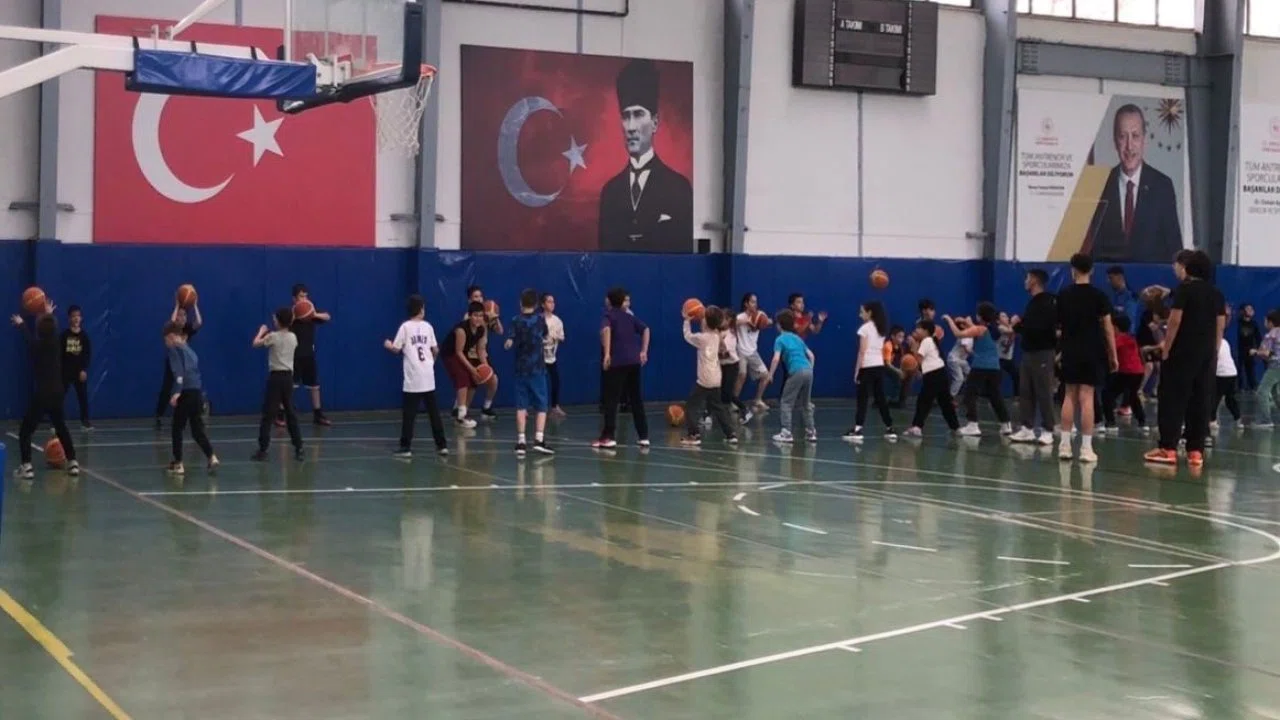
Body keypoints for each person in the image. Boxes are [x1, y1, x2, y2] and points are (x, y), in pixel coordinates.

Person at [597, 59, 693, 252]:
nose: (631, 127)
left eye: (638, 114)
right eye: (626, 116)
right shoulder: (610, 193)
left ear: (655, 123)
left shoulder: (679, 189)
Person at [1144, 250, 1223, 466]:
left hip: (1181, 353)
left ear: (1187, 267)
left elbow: (1175, 321)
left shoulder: (1185, 290)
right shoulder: (1215, 293)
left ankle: (1168, 448)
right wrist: (1214, 352)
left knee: (1172, 399)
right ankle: (1195, 451)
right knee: (1200, 400)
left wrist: (1166, 348)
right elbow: (1220, 324)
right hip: (1205, 354)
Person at [1085, 104, 1184, 263]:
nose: (1129, 146)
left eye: (1135, 136)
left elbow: (1175, 252)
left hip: (1151, 279)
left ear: (1144, 139)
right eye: (1123, 136)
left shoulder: (1162, 187)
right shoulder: (1101, 185)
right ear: (1115, 141)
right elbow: (1092, 251)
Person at [1056, 253, 1118, 463]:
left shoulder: (1064, 295)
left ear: (1072, 269)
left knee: (1069, 396)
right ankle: (1086, 448)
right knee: (1087, 397)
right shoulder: (1099, 296)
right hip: (1093, 350)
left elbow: (1058, 327)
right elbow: (1108, 328)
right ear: (1091, 270)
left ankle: (1064, 446)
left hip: (1070, 350)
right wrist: (1113, 355)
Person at [11, 301, 78, 480]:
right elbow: (50, 328)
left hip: (43, 394)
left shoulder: (36, 347)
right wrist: (48, 313)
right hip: (58, 392)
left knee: (25, 430)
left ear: (39, 330)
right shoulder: (56, 343)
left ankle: (26, 466)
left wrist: (21, 324)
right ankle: (73, 462)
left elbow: (28, 337)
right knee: (61, 427)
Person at [385, 294, 448, 458]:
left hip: (413, 377)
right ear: (421, 309)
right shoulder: (428, 327)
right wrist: (431, 363)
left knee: (409, 415)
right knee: (434, 413)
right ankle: (442, 445)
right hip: (428, 375)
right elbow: (435, 350)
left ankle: (405, 447)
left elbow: (396, 349)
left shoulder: (405, 327)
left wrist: (388, 345)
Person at [595, 286, 651, 449]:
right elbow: (646, 329)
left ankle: (609, 436)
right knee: (636, 399)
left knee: (611, 400)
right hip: (634, 361)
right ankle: (644, 436)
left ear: (610, 301)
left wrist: (607, 354)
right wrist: (643, 351)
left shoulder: (609, 316)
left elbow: (606, 330)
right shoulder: (629, 317)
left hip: (618, 362)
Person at [946, 304, 1012, 437]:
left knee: (970, 395)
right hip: (995, 368)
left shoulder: (980, 329)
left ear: (980, 316)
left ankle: (973, 424)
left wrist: (948, 320)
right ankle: (1006, 424)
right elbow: (975, 329)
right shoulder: (992, 329)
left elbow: (958, 333)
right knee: (995, 397)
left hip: (980, 366)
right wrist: (965, 322)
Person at [503, 289, 555, 456]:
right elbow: (546, 335)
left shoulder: (515, 320)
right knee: (541, 405)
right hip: (537, 369)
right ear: (536, 304)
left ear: (520, 303)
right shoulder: (540, 320)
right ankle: (539, 439)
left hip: (521, 369)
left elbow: (510, 339)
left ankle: (521, 441)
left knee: (521, 405)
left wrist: (509, 343)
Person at [1009, 269, 1058, 445]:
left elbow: (1038, 328)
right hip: (1028, 352)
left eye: (1028, 278)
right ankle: (1027, 428)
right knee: (1025, 390)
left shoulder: (1048, 302)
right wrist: (1019, 325)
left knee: (1044, 391)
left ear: (1035, 281)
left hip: (1043, 352)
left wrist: (1017, 325)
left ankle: (1048, 429)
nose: (1025, 281)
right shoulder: (1032, 303)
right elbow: (1029, 326)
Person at [164, 321, 219, 475]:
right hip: (196, 392)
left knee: (177, 428)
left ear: (172, 336)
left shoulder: (174, 350)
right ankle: (211, 456)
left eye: (166, 339)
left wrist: (177, 392)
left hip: (185, 392)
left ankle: (178, 464)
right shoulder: (190, 350)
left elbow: (179, 373)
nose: (166, 343)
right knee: (196, 429)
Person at [252, 308, 304, 462]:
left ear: (279, 321)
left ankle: (263, 449)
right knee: (290, 413)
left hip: (276, 378)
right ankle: (299, 448)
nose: (273, 320)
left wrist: (261, 332)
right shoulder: (293, 337)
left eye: (275, 318)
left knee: (268, 415)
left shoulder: (273, 336)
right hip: (288, 378)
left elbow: (255, 344)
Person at [680, 306, 737, 445]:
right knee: (719, 407)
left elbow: (687, 336)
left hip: (705, 379)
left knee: (691, 406)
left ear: (706, 322)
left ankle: (694, 435)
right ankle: (731, 434)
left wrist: (686, 321)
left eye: (703, 317)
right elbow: (722, 344)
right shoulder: (717, 336)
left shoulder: (702, 338)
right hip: (716, 378)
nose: (701, 319)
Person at [843, 300, 896, 441]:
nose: (860, 315)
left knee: (863, 398)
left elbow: (862, 351)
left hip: (867, 366)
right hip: (879, 365)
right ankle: (890, 428)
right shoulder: (881, 329)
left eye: (862, 312)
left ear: (870, 312)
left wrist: (857, 370)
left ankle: (858, 430)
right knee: (880, 397)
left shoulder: (865, 329)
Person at [903, 320, 960, 438]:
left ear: (926, 331)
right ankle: (955, 427)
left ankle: (917, 427)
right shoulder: (930, 341)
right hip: (941, 374)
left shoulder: (926, 341)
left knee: (923, 401)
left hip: (933, 375)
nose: (916, 330)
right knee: (945, 403)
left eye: (918, 328)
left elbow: (918, 359)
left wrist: (913, 346)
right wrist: (919, 371)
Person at [767, 310, 816, 444]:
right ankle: (811, 432)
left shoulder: (780, 339)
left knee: (786, 402)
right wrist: (810, 370)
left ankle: (786, 433)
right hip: (808, 370)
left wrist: (770, 374)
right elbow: (811, 356)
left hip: (796, 371)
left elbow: (776, 359)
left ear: (779, 325)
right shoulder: (797, 338)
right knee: (806, 403)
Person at [287, 284, 333, 426]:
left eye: (306, 296)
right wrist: (295, 316)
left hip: (308, 354)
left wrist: (314, 314)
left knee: (314, 385)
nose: (304, 299)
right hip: (294, 355)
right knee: (290, 386)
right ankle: (281, 414)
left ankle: (318, 414)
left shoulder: (310, 314)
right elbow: (281, 323)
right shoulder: (290, 314)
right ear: (294, 298)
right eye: (301, 296)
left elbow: (327, 317)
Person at [441, 302, 491, 429]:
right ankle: (461, 415)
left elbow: (480, 350)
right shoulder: (461, 330)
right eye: (475, 315)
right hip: (450, 353)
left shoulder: (481, 329)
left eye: (480, 316)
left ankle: (462, 413)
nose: (478, 318)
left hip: (462, 353)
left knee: (473, 381)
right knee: (462, 376)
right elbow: (458, 352)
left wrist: (485, 367)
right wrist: (472, 369)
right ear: (469, 316)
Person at [154, 301, 201, 429]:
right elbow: (172, 321)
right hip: (174, 361)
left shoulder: (187, 329)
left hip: (185, 363)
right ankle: (159, 415)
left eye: (184, 315)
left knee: (188, 388)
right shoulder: (172, 328)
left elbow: (199, 322)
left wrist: (195, 305)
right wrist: (176, 305)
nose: (182, 317)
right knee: (167, 388)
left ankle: (188, 415)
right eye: (180, 315)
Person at [1099, 314, 1147, 433]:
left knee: (1107, 394)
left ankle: (1110, 423)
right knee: (1132, 396)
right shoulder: (1131, 338)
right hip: (1138, 372)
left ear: (1115, 327)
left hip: (1127, 372)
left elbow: (1110, 349)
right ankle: (1142, 421)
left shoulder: (1119, 339)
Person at [733, 292, 772, 416]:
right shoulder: (740, 317)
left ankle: (758, 400)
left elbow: (769, 321)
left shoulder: (760, 315)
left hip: (753, 352)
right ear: (746, 304)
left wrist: (766, 322)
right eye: (752, 302)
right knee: (742, 375)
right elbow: (730, 324)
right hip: (740, 351)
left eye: (756, 302)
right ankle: (733, 402)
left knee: (765, 376)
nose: (755, 304)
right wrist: (743, 322)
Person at [61, 304, 92, 429]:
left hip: (79, 372)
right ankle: (57, 422)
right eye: (73, 316)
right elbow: (60, 354)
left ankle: (85, 421)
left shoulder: (84, 336)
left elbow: (87, 354)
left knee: (82, 397)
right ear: (69, 318)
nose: (76, 318)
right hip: (65, 372)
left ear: (81, 318)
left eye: (78, 316)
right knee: (60, 397)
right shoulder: (64, 336)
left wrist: (83, 369)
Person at [1251, 309, 1280, 428]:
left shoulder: (1271, 335)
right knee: (1276, 393)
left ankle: (1265, 420)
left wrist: (1255, 352)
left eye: (1265, 321)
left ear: (1271, 322)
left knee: (1262, 392)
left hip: (1275, 366)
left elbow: (1267, 353)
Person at [540, 293, 566, 418]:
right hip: (538, 358)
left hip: (551, 358)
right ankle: (533, 407)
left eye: (553, 302)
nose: (552, 304)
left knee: (556, 381)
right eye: (549, 301)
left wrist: (555, 337)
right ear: (543, 304)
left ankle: (555, 407)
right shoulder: (538, 320)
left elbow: (562, 337)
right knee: (538, 382)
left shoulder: (557, 321)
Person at [1211, 336, 1241, 430]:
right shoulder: (1225, 341)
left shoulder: (1212, 342)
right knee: (1230, 398)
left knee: (1214, 398)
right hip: (1232, 372)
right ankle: (1238, 418)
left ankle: (1212, 421)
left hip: (1221, 373)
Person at [1237, 304, 1261, 391]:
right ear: (1243, 311)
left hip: (1250, 350)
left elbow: (1258, 338)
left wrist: (1258, 350)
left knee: (1250, 369)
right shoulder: (1238, 323)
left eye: (1252, 309)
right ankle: (1239, 386)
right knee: (1239, 368)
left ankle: (1252, 386)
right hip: (1240, 350)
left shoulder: (1254, 324)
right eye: (1248, 309)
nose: (1251, 310)